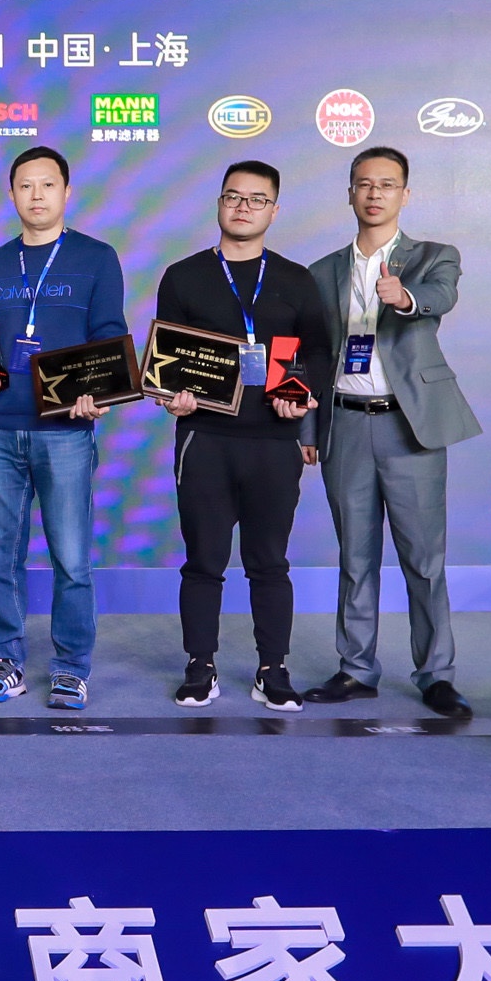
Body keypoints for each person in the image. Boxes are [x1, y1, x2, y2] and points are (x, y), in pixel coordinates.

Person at [297, 145, 482, 718]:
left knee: (424, 560)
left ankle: (436, 675)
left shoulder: (433, 257)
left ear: (405, 194)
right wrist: (308, 426)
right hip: (345, 424)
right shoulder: (321, 272)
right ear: (350, 193)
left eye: (386, 184)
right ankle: (356, 669)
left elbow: (441, 297)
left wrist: (404, 297)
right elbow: (310, 356)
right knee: (355, 557)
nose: (374, 193)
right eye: (364, 183)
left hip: (409, 425)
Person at [153, 160, 332, 712]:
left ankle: (272, 669)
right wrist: (172, 395)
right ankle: (200, 666)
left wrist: (301, 394)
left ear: (274, 211)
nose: (243, 207)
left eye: (257, 200)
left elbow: (317, 352)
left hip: (274, 441)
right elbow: (167, 359)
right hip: (204, 437)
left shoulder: (296, 279)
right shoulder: (183, 276)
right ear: (219, 204)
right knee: (203, 561)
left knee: (269, 562)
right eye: (233, 196)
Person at [0, 146, 126, 710]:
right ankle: (5, 660)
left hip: (65, 429)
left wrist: (100, 395)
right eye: (25, 186)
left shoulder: (97, 258)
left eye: (47, 184)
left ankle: (72, 667)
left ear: (66, 192)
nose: (36, 195)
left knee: (71, 558)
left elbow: (108, 335)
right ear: (11, 194)